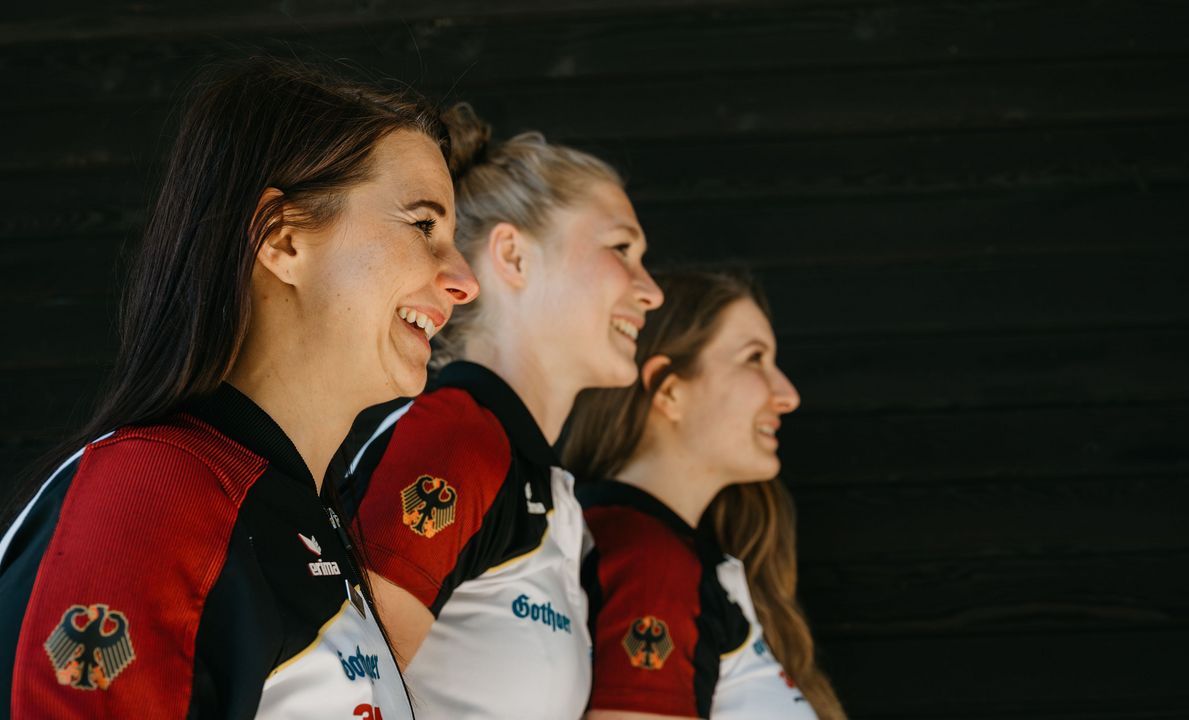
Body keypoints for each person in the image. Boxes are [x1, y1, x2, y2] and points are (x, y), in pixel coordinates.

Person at [0, 57, 478, 719]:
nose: (462, 280)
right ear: (281, 238)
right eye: (425, 226)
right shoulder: (146, 495)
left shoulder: (302, 517)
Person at [338, 103, 663, 717]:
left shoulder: (538, 481)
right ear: (512, 257)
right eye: (622, 248)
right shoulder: (459, 438)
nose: (651, 291)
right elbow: (339, 692)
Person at [563, 269, 846, 720]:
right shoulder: (649, 561)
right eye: (755, 359)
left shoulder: (667, 553)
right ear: (670, 390)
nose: (787, 395)